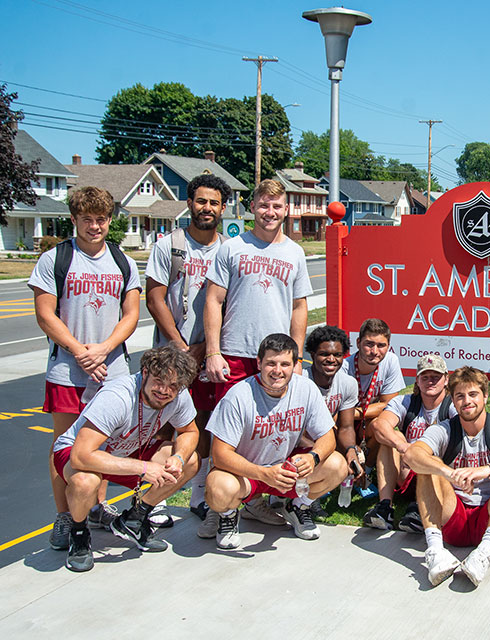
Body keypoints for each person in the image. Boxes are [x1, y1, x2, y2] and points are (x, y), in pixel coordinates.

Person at [29, 186, 142, 550]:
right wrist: (79, 351)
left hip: (112, 370)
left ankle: (96, 507)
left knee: (105, 443)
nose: (95, 227)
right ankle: (64, 515)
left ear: (110, 221)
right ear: (74, 219)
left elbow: (131, 314)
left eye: (102, 220)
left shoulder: (123, 261)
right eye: (87, 220)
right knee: (64, 446)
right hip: (67, 369)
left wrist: (106, 349)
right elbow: (45, 314)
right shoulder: (56, 259)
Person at [203, 179, 312, 525]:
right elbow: (213, 300)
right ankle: (217, 506)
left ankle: (256, 500)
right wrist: (212, 351)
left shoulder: (295, 252)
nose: (270, 213)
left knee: (271, 431)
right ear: (253, 207)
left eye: (277, 206)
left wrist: (295, 360)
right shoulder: (232, 248)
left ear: (286, 209)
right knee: (227, 437)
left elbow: (299, 307)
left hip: (278, 359)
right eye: (264, 205)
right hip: (235, 352)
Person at [51, 346, 200, 572]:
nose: (164, 390)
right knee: (85, 482)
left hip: (126, 451)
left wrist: (178, 457)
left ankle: (134, 519)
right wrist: (142, 467)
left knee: (191, 461)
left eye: (173, 386)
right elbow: (81, 456)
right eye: (159, 381)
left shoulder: (177, 395)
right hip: (79, 453)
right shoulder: (117, 396)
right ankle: (79, 534)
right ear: (145, 372)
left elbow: (190, 431)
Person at [203, 334, 349, 549]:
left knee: (337, 465)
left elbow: (327, 436)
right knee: (218, 488)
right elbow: (220, 454)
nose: (277, 371)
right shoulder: (238, 395)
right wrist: (263, 474)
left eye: (285, 364)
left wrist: (313, 457)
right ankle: (227, 515)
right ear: (259, 363)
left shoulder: (305, 388)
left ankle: (299, 507)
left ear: (294, 365)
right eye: (271, 363)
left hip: (284, 468)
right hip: (246, 472)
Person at [145, 174, 231, 528]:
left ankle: (197, 496)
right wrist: (181, 348)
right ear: (189, 203)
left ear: (223, 208)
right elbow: (154, 298)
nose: (206, 208)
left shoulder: (227, 248)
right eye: (200, 201)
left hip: (210, 355)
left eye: (213, 202)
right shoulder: (170, 245)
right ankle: (153, 499)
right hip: (171, 356)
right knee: (163, 428)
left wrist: (206, 348)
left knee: (204, 425)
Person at [403, 367, 490, 587]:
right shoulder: (445, 429)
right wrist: (448, 473)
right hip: (454, 516)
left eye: (473, 394)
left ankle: (483, 553)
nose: (467, 401)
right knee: (429, 466)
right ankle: (436, 551)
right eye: (460, 396)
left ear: (485, 396)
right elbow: (412, 454)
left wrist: (486, 469)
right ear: (453, 400)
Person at [366, 353, 457, 532]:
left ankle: (419, 508)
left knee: (433, 458)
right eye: (425, 377)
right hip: (407, 472)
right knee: (389, 439)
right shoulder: (406, 402)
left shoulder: (453, 406)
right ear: (417, 380)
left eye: (435, 377)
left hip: (440, 476)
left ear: (446, 379)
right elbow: (379, 425)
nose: (430, 381)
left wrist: (421, 456)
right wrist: (403, 447)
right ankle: (385, 508)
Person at [342, 318, 405, 494]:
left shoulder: (390, 361)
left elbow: (389, 404)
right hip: (343, 424)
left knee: (383, 424)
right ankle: (345, 472)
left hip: (361, 418)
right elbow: (334, 415)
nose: (374, 351)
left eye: (381, 345)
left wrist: (354, 413)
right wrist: (349, 416)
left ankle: (367, 472)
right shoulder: (344, 368)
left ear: (388, 345)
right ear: (358, 343)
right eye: (369, 344)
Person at [302, 324, 359, 515]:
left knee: (350, 459)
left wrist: (350, 451)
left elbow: (346, 427)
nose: (331, 359)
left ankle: (303, 501)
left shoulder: (348, 383)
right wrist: (325, 449)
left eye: (337, 354)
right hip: (295, 444)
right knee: (332, 459)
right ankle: (286, 497)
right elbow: (294, 432)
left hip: (323, 441)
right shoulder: (300, 382)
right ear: (311, 354)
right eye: (324, 354)